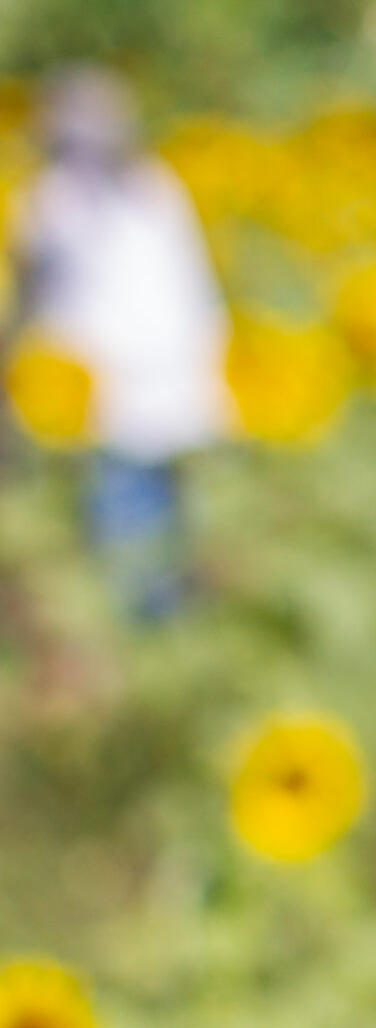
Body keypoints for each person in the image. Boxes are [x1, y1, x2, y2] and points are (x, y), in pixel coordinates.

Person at [7, 66, 232, 619]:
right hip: (144, 391)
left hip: (114, 395)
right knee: (148, 525)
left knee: (127, 534)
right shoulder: (152, 187)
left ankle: (142, 634)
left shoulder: (59, 199)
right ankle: (154, 633)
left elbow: (30, 297)